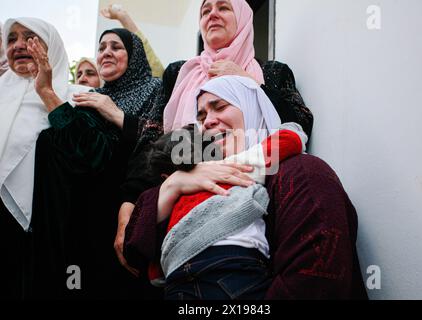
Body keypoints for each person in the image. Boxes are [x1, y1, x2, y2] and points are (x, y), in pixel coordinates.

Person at [112, 0, 315, 271]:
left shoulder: (271, 72)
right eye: (205, 10)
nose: (213, 15)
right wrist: (130, 201)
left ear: (243, 18)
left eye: (224, 7)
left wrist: (248, 82)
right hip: (180, 198)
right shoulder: (179, 73)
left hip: (250, 203)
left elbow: (299, 123)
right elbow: (154, 138)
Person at [136, 76, 308, 300]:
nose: (207, 122)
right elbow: (136, 245)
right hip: (199, 276)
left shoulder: (300, 172)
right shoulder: (197, 172)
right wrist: (172, 184)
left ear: (248, 105)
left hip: (202, 276)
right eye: (201, 116)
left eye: (220, 106)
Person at [27, 28, 164, 298]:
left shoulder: (155, 89)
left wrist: (116, 114)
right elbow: (80, 150)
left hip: (133, 208)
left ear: (134, 55)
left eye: (116, 46)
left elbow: (164, 139)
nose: (106, 53)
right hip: (89, 219)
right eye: (101, 47)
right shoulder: (88, 95)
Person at [0, 17, 89, 299]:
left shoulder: (79, 97)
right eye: (11, 39)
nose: (19, 45)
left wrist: (47, 93)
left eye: (30, 37)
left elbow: (88, 155)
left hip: (45, 236)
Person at [100, 4, 165, 78]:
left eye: (116, 47)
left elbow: (155, 69)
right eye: (101, 49)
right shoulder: (92, 89)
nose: (106, 53)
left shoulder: (151, 87)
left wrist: (123, 17)